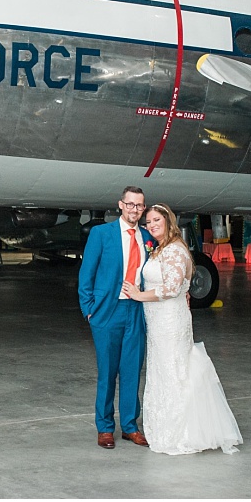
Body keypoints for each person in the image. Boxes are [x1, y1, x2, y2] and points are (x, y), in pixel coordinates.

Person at [122, 203, 242, 455]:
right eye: (148, 222)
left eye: (156, 220)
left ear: (168, 221)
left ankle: (183, 432)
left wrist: (138, 295)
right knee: (164, 370)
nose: (151, 225)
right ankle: (167, 426)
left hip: (169, 321)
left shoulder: (174, 250)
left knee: (174, 370)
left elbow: (172, 288)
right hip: (158, 321)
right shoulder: (160, 249)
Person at [78, 186, 153, 449]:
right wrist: (90, 309)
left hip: (137, 311)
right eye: (130, 204)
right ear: (120, 205)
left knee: (132, 371)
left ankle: (130, 426)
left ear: (143, 208)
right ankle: (105, 428)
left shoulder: (147, 237)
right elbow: (86, 274)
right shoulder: (101, 234)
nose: (135, 210)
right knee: (107, 373)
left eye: (139, 206)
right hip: (107, 312)